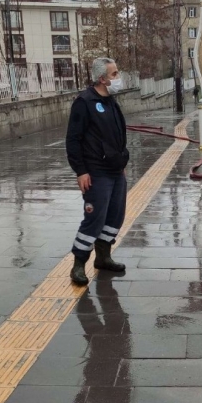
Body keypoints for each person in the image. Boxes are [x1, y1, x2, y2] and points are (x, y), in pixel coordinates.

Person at [66, 57, 129, 285]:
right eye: (114, 74)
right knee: (95, 219)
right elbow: (73, 140)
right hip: (96, 172)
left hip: (115, 171)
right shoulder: (85, 102)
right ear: (102, 78)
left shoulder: (111, 101)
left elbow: (117, 136)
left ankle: (103, 257)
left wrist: (121, 163)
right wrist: (81, 171)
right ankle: (78, 265)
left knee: (115, 217)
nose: (118, 78)